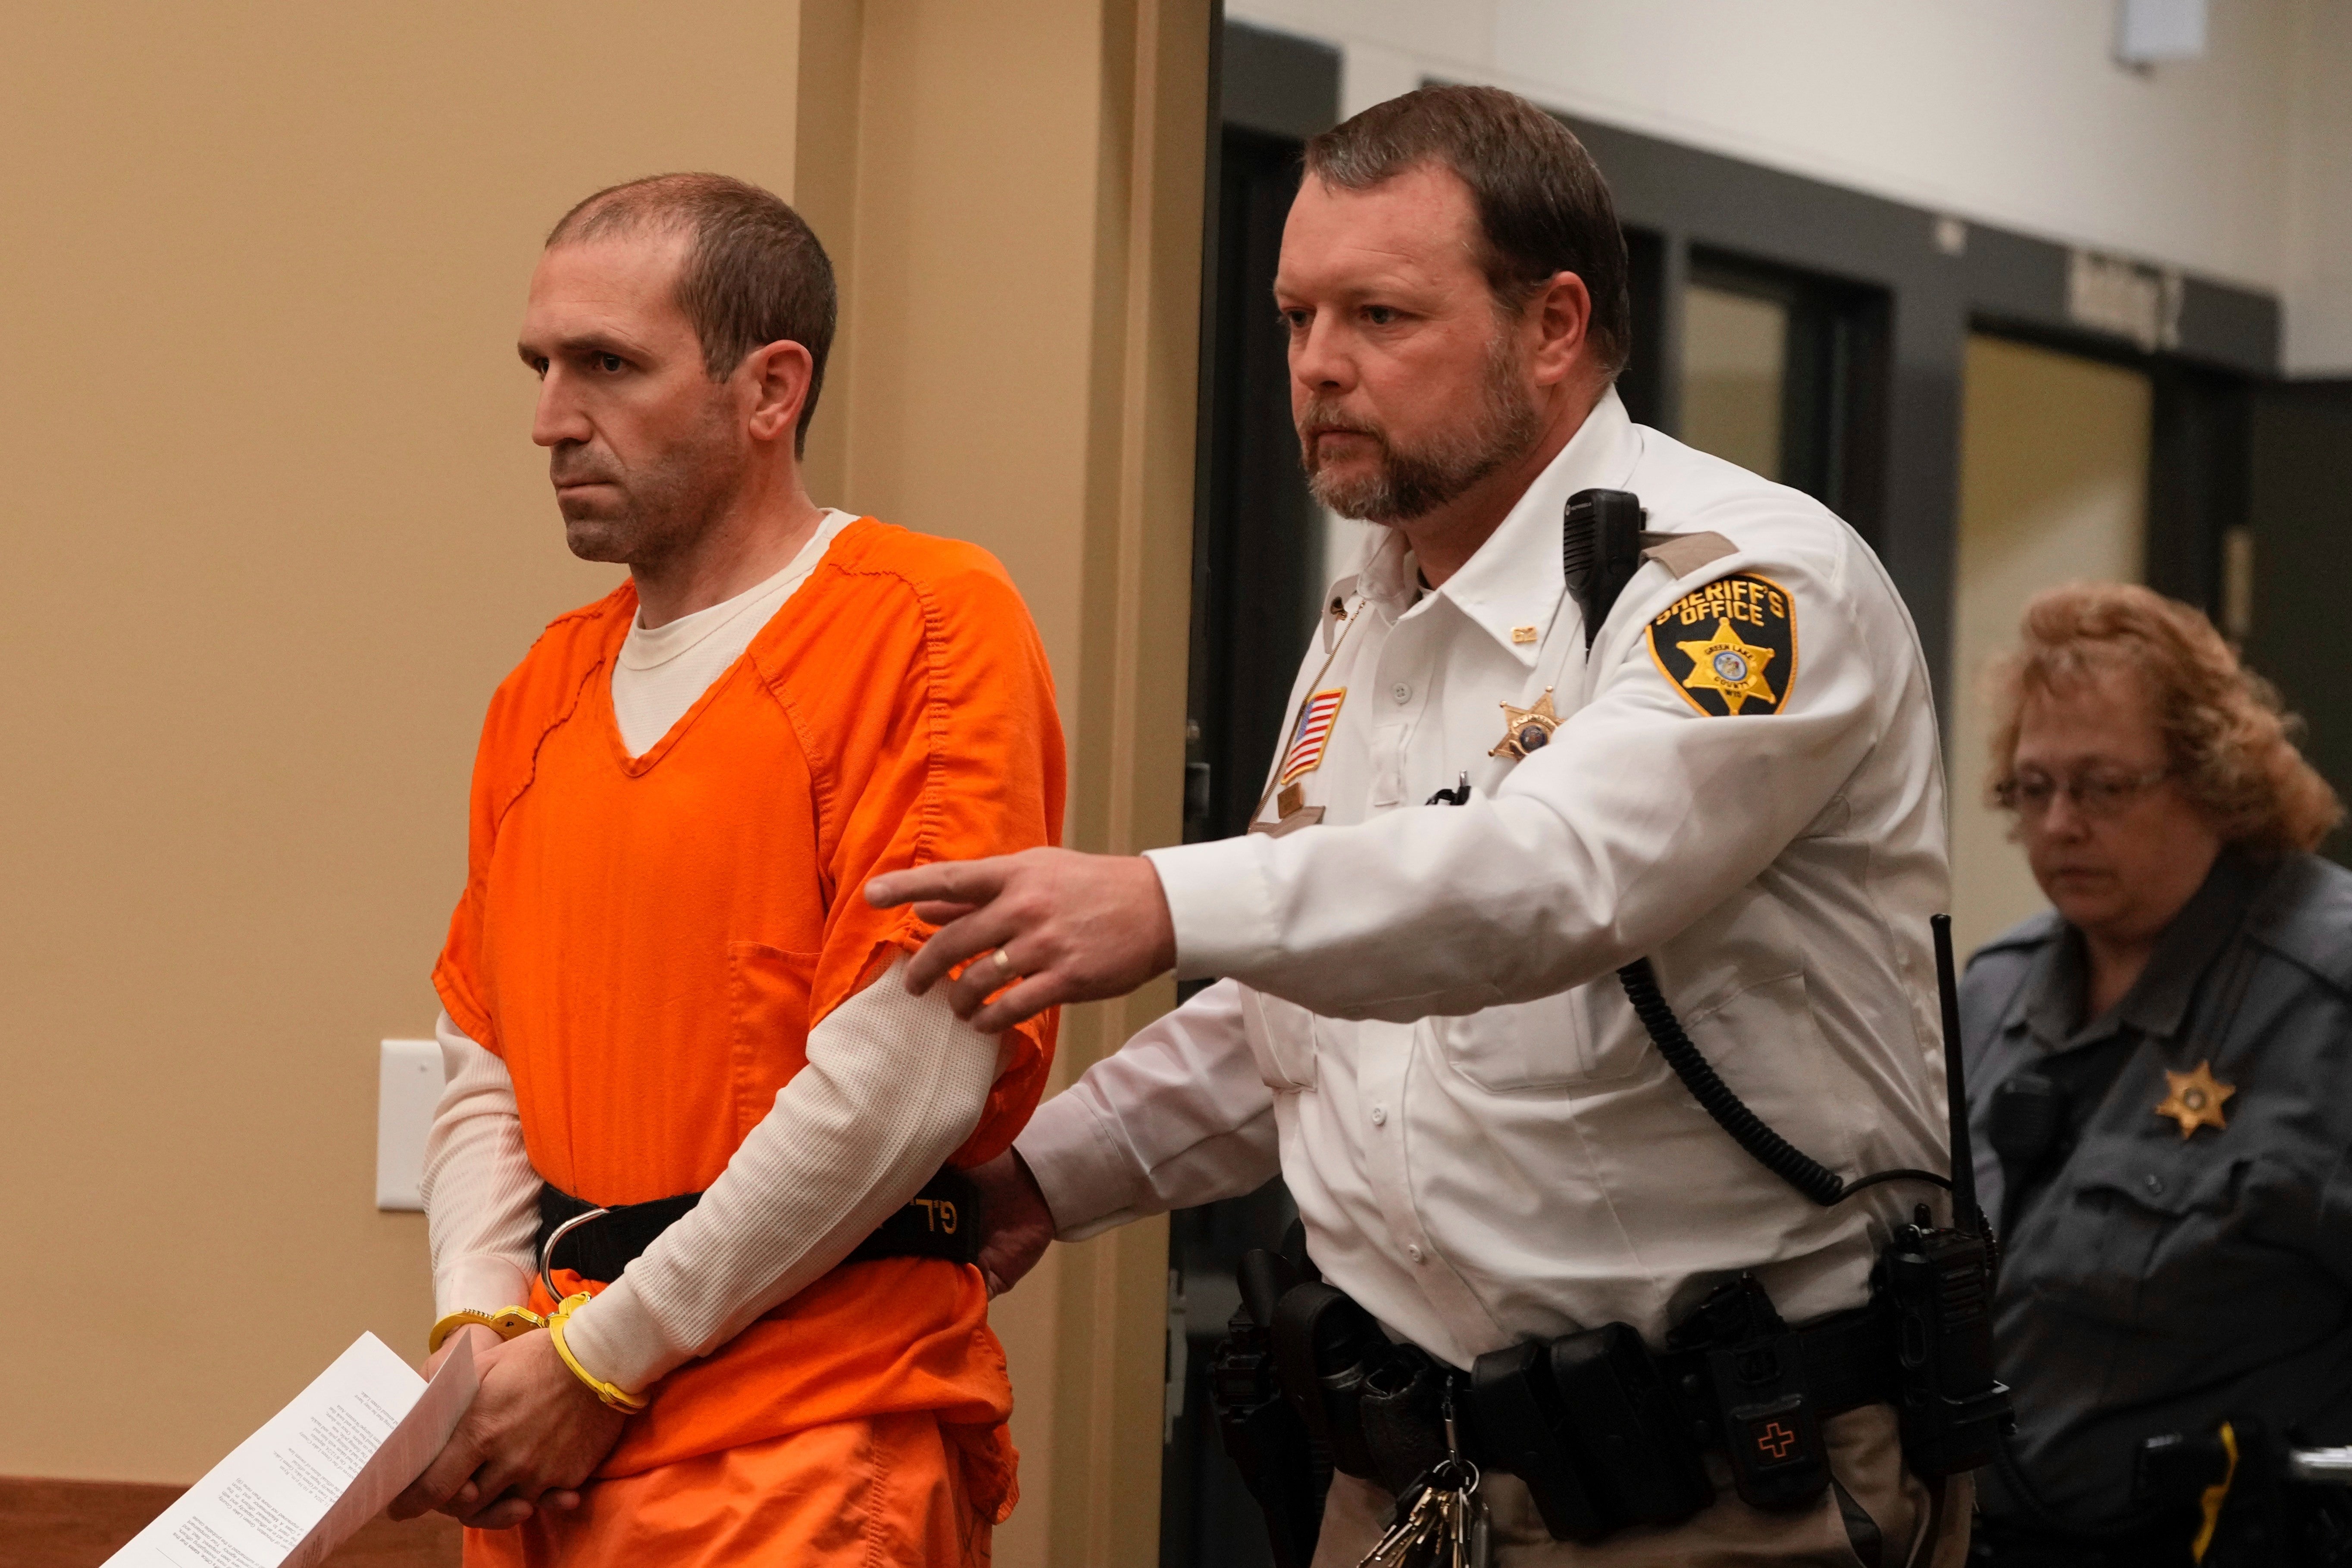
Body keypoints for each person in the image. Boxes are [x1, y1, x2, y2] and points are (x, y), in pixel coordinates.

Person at [869, 87, 1971, 1565]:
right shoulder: (1371, 612)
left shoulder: (1744, 582)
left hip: (1717, 1476)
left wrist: (1157, 898)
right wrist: (1037, 1180)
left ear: (1554, 323)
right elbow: (1307, 1007)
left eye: (1379, 316)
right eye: (1294, 316)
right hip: (1406, 1473)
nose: (1318, 366)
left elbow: (1547, 880)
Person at [386, 173, 1065, 1567]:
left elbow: (907, 1080)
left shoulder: (926, 626)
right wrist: (482, 1335)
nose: (550, 418)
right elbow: (482, 1063)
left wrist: (602, 1359)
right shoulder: (541, 691)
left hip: (802, 1446)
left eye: (607, 366)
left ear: (770, 388)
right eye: (541, 366)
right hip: (545, 1456)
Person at [1958, 583, 2352, 1568]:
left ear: (2216, 779)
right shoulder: (1997, 988)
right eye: (2032, 787)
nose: (2059, 825)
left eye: (2101, 787)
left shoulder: (2328, 991)